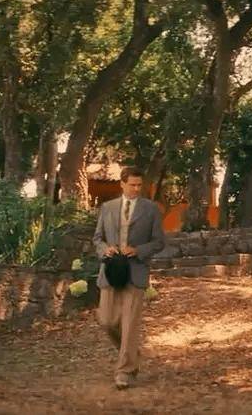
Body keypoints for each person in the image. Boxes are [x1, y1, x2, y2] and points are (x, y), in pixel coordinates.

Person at [92, 166, 164, 389]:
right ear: (122, 184)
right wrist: (105, 249)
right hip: (111, 271)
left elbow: (159, 242)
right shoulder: (108, 208)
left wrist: (139, 250)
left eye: (139, 185)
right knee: (107, 321)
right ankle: (132, 353)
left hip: (136, 271)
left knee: (130, 325)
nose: (136, 189)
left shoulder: (151, 209)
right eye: (132, 185)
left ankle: (125, 371)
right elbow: (97, 238)